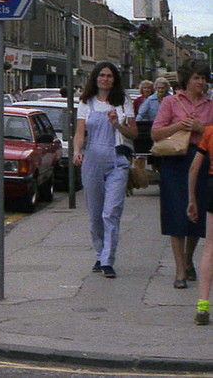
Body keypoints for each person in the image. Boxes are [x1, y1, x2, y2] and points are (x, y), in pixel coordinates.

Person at [72, 61, 136, 279]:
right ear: (96, 78)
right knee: (96, 214)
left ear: (115, 79)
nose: (105, 79)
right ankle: (99, 254)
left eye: (109, 76)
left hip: (117, 159)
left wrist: (118, 123)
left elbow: (134, 133)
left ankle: (108, 259)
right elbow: (80, 132)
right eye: (102, 75)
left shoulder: (123, 102)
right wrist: (77, 150)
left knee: (111, 212)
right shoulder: (85, 102)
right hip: (92, 161)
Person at [154, 59, 213, 288]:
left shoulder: (210, 105)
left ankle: (189, 259)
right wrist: (179, 126)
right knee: (175, 214)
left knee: (196, 215)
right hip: (175, 162)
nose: (201, 82)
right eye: (197, 77)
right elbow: (156, 133)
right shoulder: (171, 102)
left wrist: (201, 129)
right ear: (187, 80)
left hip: (201, 161)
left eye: (204, 78)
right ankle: (179, 269)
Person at [186, 74, 213, 324]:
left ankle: (203, 306)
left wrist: (192, 199)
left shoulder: (209, 133)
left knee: (210, 248)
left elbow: (195, 168)